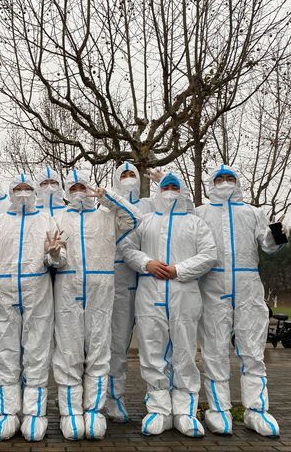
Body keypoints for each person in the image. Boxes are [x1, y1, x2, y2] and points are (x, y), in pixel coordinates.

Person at [121, 172, 216, 437]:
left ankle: (185, 411)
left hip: (184, 293)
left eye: (175, 186)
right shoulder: (145, 221)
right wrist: (147, 263)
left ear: (182, 190)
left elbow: (209, 255)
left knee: (184, 350)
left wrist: (179, 269)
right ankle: (159, 409)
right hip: (150, 292)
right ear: (158, 191)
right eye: (166, 187)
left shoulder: (195, 223)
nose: (170, 191)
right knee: (152, 350)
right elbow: (127, 249)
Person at [0, 174, 65, 442]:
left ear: (34, 191)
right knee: (5, 353)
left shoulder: (47, 220)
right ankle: (8, 412)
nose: (23, 192)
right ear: (11, 192)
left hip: (38, 297)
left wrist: (54, 254)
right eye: (18, 188)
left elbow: (59, 258)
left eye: (27, 188)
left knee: (37, 353)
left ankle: (35, 413)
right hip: (5, 297)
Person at [196, 165, 288, 437]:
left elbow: (268, 246)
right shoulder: (200, 213)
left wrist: (279, 234)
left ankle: (256, 410)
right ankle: (218, 409)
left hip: (247, 286)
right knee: (214, 350)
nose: (225, 183)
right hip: (212, 285)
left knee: (252, 349)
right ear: (211, 183)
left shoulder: (253, 212)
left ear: (238, 182)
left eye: (230, 178)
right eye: (220, 179)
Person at [52, 170, 142, 440]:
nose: (79, 191)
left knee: (99, 352)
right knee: (69, 352)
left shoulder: (107, 215)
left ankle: (93, 411)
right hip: (67, 291)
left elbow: (135, 219)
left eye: (83, 186)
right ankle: (71, 412)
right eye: (74, 187)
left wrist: (109, 198)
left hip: (101, 292)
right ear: (67, 191)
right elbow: (54, 258)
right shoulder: (57, 216)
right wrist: (54, 255)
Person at [106, 162, 156, 423]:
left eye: (132, 174)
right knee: (117, 343)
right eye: (123, 174)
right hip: (119, 281)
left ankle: (158, 398)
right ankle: (114, 397)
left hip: (150, 280)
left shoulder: (150, 205)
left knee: (154, 343)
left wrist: (164, 183)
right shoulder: (106, 208)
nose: (128, 178)